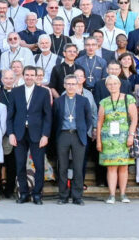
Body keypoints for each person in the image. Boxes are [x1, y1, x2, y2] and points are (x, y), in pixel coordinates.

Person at [7, 66, 52, 204]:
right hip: (19, 133)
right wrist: (11, 133)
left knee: (39, 165)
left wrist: (45, 135)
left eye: (32, 75)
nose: (29, 77)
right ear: (23, 75)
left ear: (36, 76)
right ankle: (24, 193)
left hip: (37, 134)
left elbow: (47, 116)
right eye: (27, 74)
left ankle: (37, 194)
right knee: (20, 165)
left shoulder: (43, 92)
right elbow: (10, 116)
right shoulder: (15, 91)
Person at [94, 74, 137, 203]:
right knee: (111, 167)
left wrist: (131, 135)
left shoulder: (128, 99)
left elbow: (134, 119)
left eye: (115, 83)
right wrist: (99, 141)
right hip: (108, 140)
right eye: (110, 84)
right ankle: (112, 194)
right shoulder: (104, 102)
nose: (112, 86)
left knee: (123, 167)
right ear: (106, 86)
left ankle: (123, 194)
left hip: (124, 138)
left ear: (119, 85)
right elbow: (99, 122)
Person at [53, 76, 95, 205]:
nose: (71, 86)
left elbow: (88, 119)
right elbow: (55, 119)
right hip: (63, 135)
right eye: (68, 84)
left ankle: (77, 196)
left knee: (78, 167)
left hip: (78, 135)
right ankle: (63, 196)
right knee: (63, 167)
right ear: (64, 85)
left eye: (73, 84)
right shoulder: (59, 101)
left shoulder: (83, 100)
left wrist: (82, 130)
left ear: (77, 85)